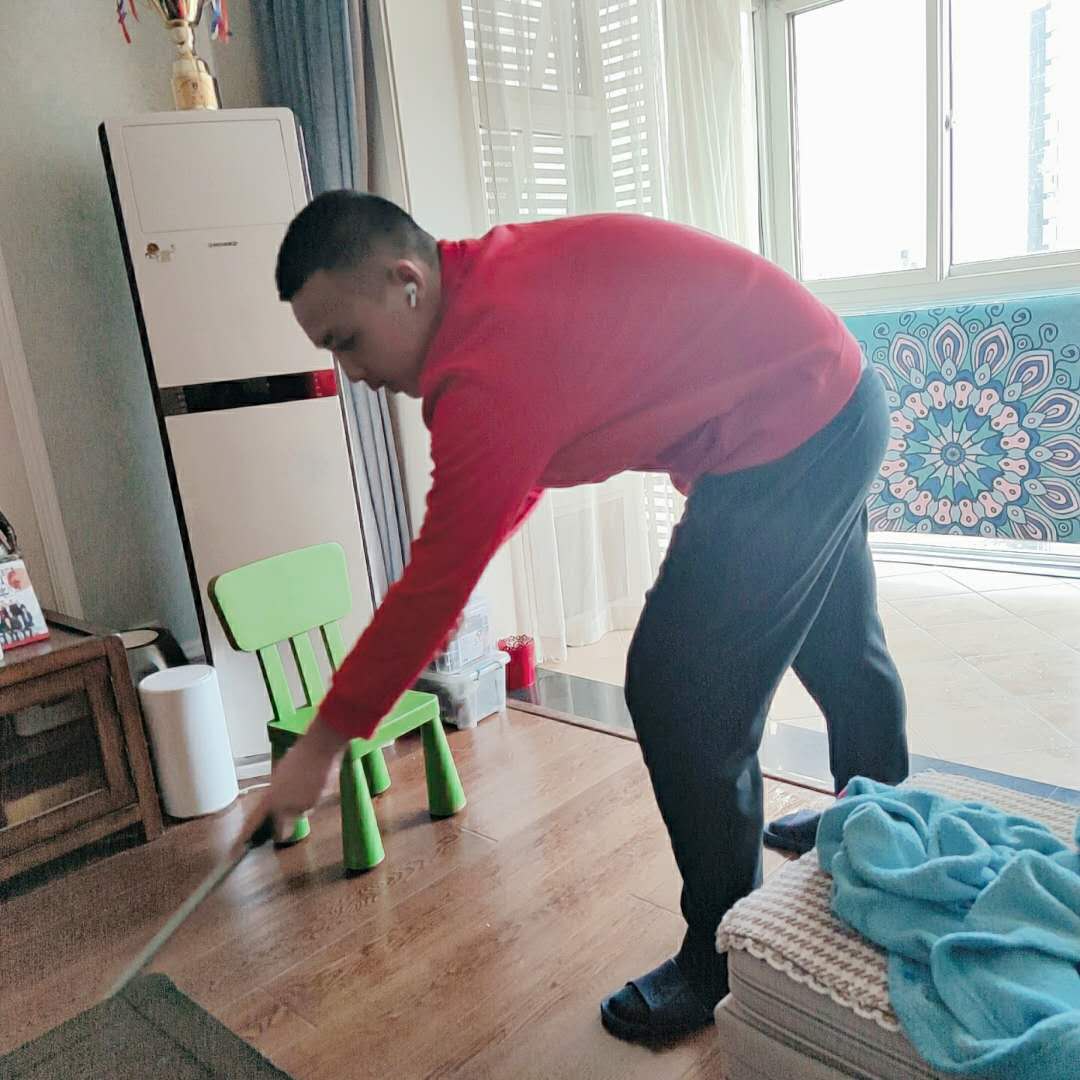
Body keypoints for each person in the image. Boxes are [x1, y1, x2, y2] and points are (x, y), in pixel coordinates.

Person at [247, 191, 908, 1044]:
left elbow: (434, 584)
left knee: (681, 690)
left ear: (405, 283)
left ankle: (719, 957)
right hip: (837, 398)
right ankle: (879, 821)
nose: (352, 372)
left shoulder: (486, 364)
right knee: (839, 643)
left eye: (347, 340)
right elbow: (522, 467)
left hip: (791, 431)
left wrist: (321, 745)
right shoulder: (491, 288)